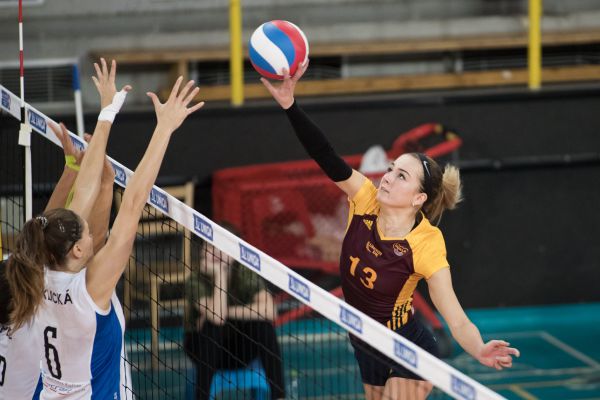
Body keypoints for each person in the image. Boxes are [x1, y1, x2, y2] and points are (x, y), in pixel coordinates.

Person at [261, 60, 520, 400]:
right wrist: (290, 106)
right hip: (364, 339)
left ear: (418, 198)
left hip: (406, 345)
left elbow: (455, 317)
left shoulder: (426, 243)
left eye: (401, 176)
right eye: (391, 169)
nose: (387, 177)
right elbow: (324, 154)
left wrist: (478, 348)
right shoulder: (365, 199)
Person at [5, 57, 204, 399]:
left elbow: (84, 190)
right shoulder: (90, 291)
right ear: (77, 249)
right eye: (89, 233)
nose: (97, 233)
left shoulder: (35, 273)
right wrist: (164, 128)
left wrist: (108, 113)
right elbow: (134, 202)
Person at [0, 121, 115, 400]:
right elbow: (58, 231)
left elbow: (42, 236)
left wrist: (71, 170)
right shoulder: (31, 318)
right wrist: (106, 117)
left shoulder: (20, 306)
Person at [184, 223, 285, 400]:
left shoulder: (245, 273)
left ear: (233, 252)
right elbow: (217, 318)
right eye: (209, 246)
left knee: (263, 326)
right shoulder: (194, 280)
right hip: (203, 351)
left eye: (219, 247)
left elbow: (270, 311)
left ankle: (279, 397)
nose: (214, 252)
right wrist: (220, 274)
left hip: (239, 351)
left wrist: (228, 312)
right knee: (212, 327)